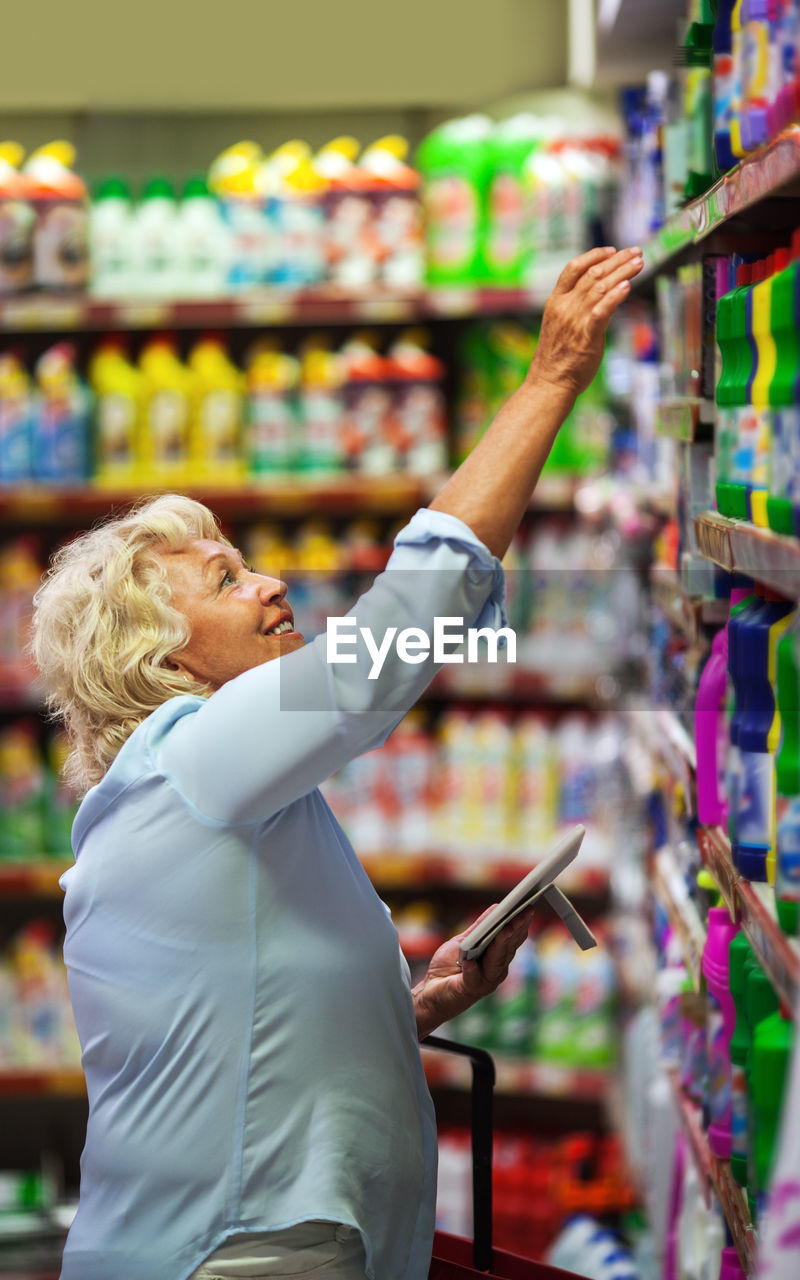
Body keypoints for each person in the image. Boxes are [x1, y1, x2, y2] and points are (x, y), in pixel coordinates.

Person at [32, 245, 643, 1280]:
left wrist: (410, 1005)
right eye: (226, 578)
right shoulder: (192, 757)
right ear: (163, 655)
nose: (272, 584)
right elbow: (387, 646)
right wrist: (547, 382)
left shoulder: (210, 791)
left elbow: (235, 1031)